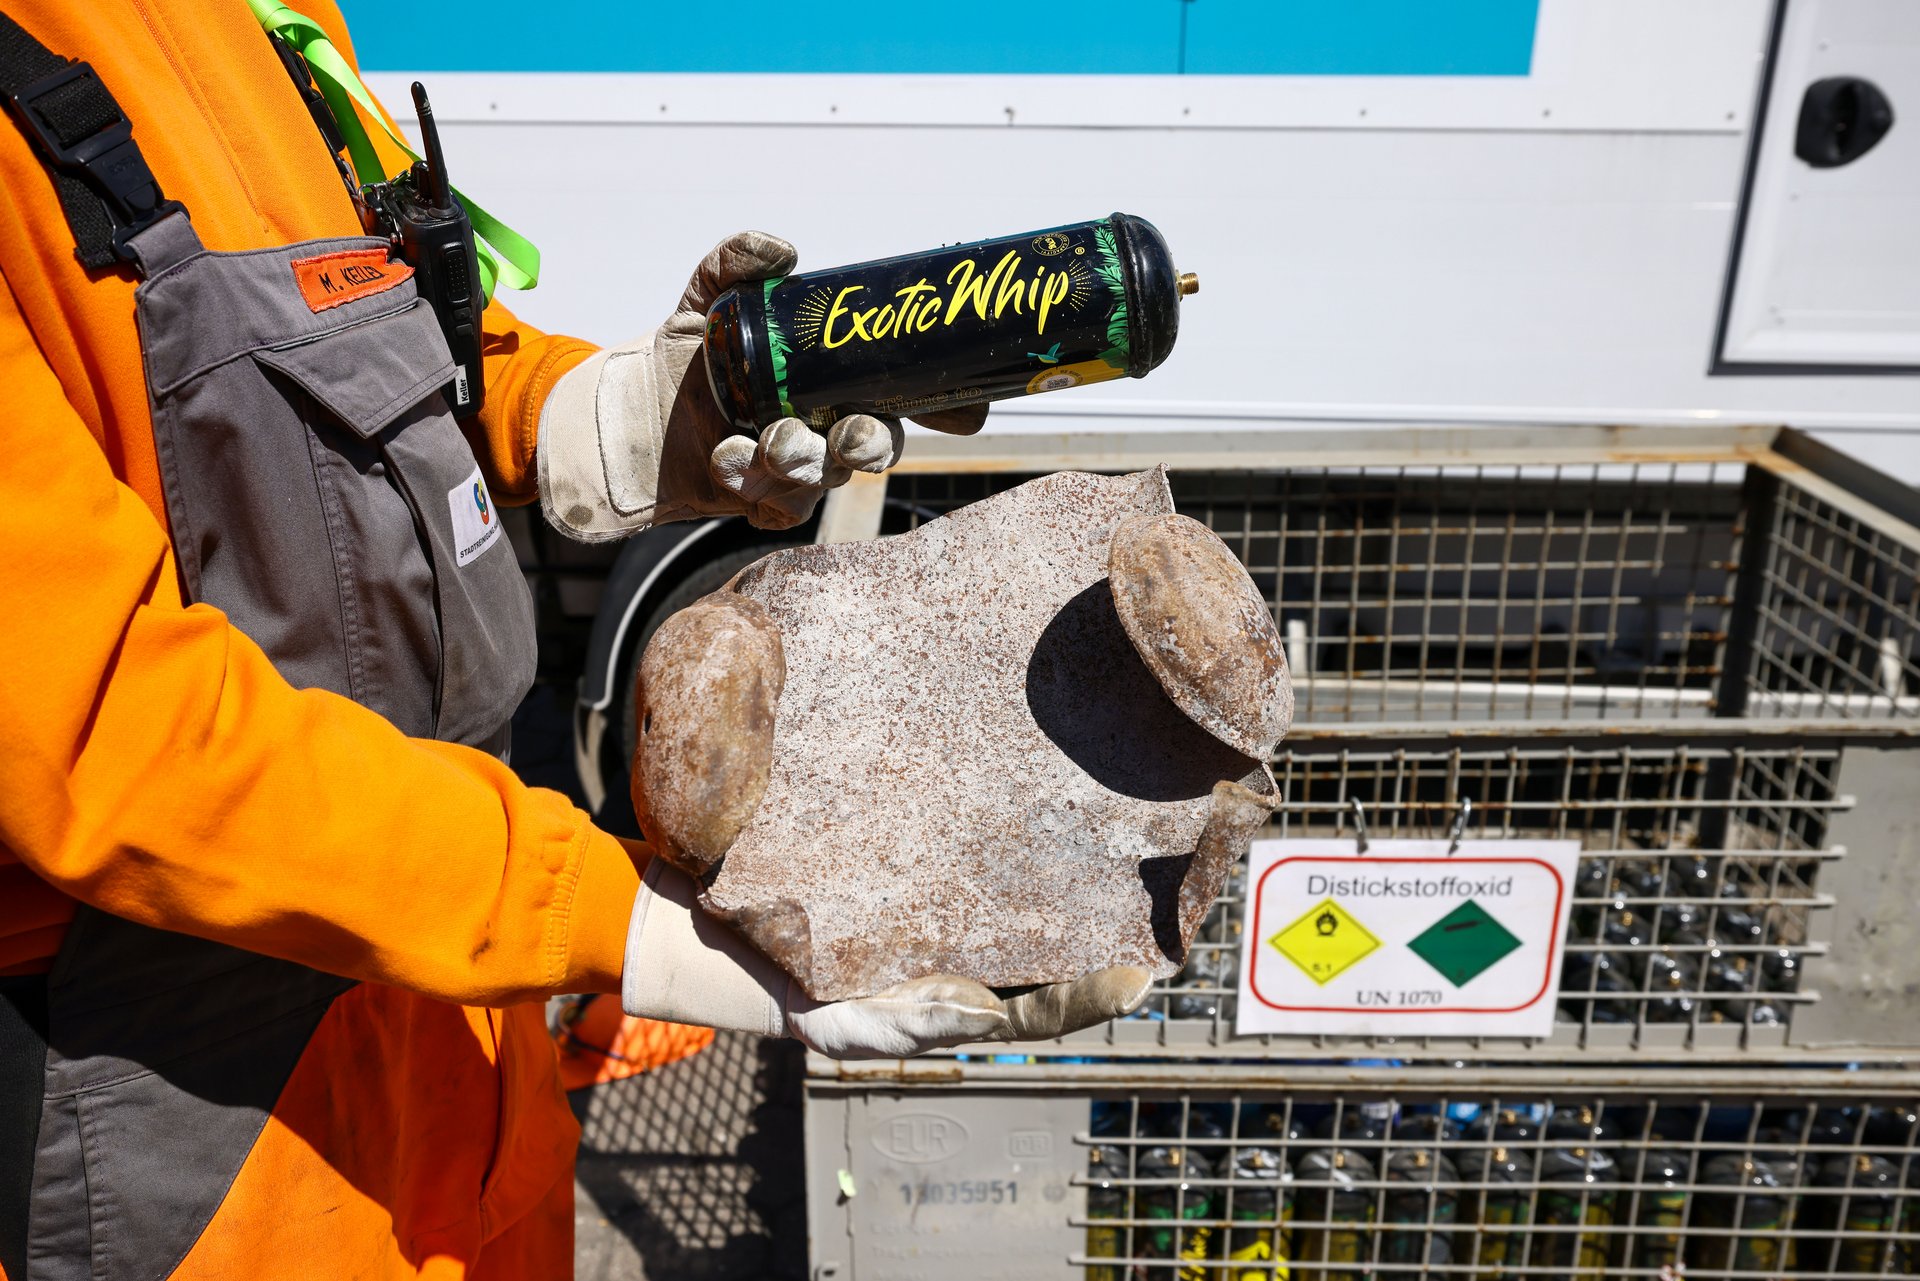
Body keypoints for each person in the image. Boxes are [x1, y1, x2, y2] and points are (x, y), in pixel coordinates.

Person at [0, 3, 1148, 1277]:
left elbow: (382, 336)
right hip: (188, 1131)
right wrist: (623, 923)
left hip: (454, 1045)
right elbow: (98, 728)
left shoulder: (254, 21)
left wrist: (612, 413)